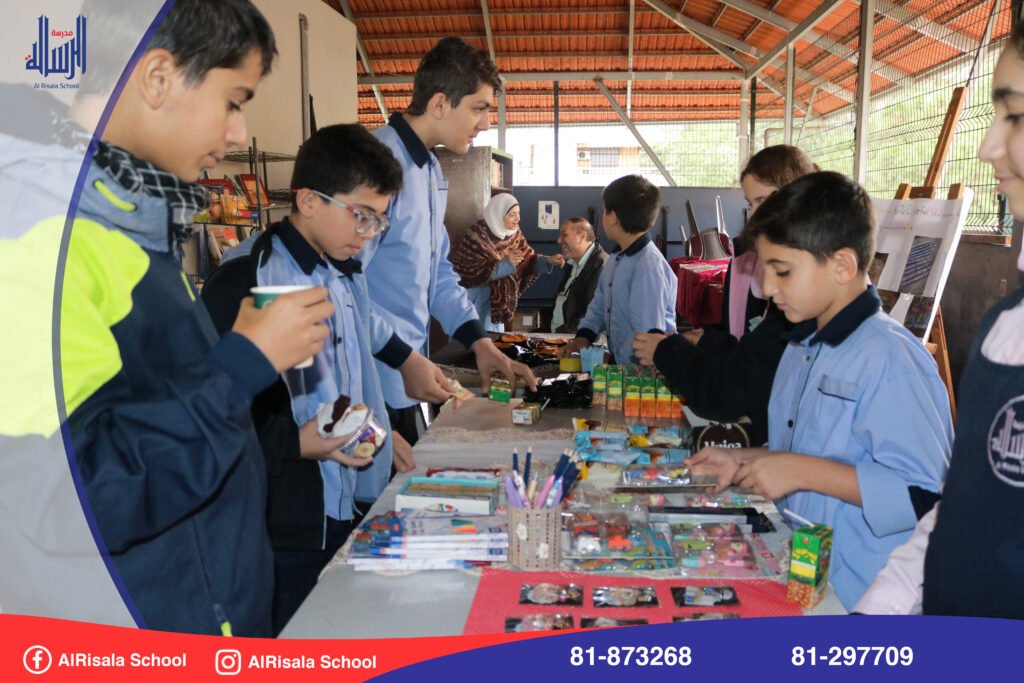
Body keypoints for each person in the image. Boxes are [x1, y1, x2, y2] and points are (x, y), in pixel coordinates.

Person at [64, 0, 331, 636]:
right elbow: (78, 498)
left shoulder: (133, 229)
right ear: (158, 78)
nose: (239, 134)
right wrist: (241, 364)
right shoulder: (48, 245)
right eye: (233, 101)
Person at [202, 124, 453, 633]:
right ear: (308, 201)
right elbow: (210, 417)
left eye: (379, 221)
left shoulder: (342, 272)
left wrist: (379, 433)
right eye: (361, 216)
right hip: (284, 524)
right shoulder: (250, 280)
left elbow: (346, 377)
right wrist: (296, 444)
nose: (368, 234)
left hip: (345, 503)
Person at [685, 171, 952, 610]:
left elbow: (925, 498)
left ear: (842, 266)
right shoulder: (801, 346)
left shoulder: (892, 361)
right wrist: (745, 460)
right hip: (807, 577)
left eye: (782, 271)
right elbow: (808, 450)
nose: (767, 288)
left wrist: (800, 471)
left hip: (866, 598)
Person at [856, 22, 1024, 618]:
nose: (987, 148)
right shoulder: (1006, 325)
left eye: (1015, 116)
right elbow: (959, 507)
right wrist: (879, 611)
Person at [360, 37, 536, 445]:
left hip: (407, 375)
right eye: (479, 108)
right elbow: (342, 289)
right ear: (439, 104)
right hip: (368, 378)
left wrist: (480, 343)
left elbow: (439, 272)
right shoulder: (375, 164)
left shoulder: (429, 170)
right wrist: (401, 356)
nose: (486, 123)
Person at [630, 146, 817, 445]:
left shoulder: (810, 309)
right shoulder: (750, 269)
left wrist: (668, 351)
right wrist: (707, 341)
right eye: (750, 203)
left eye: (763, 200)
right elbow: (750, 352)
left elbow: (735, 387)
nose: (754, 213)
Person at [559, 174, 676, 366]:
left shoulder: (648, 267)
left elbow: (646, 338)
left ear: (613, 218)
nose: (604, 216)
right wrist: (584, 337)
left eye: (605, 210)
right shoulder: (616, 259)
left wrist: (612, 361)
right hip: (621, 367)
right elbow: (599, 304)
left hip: (642, 374)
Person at [448, 193, 564, 332]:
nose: (518, 219)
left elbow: (527, 259)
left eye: (518, 213)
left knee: (495, 340)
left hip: (496, 307)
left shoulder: (515, 234)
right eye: (512, 214)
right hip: (473, 301)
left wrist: (548, 260)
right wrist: (506, 263)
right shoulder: (477, 234)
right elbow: (468, 272)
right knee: (471, 339)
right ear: (498, 213)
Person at [550, 217, 608, 333]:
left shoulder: (601, 266)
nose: (559, 240)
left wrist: (559, 335)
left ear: (582, 236)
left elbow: (593, 315)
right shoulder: (572, 264)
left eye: (564, 235)